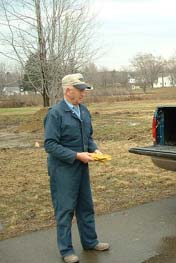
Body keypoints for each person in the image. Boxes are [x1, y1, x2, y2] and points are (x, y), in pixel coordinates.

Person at [44, 73, 109, 263]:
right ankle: (66, 251)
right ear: (68, 90)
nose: (84, 93)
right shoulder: (55, 113)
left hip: (82, 167)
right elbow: (50, 145)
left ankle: (90, 241)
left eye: (84, 89)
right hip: (62, 170)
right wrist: (76, 155)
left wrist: (94, 149)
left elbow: (87, 137)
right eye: (80, 90)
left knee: (86, 206)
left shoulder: (84, 111)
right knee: (65, 210)